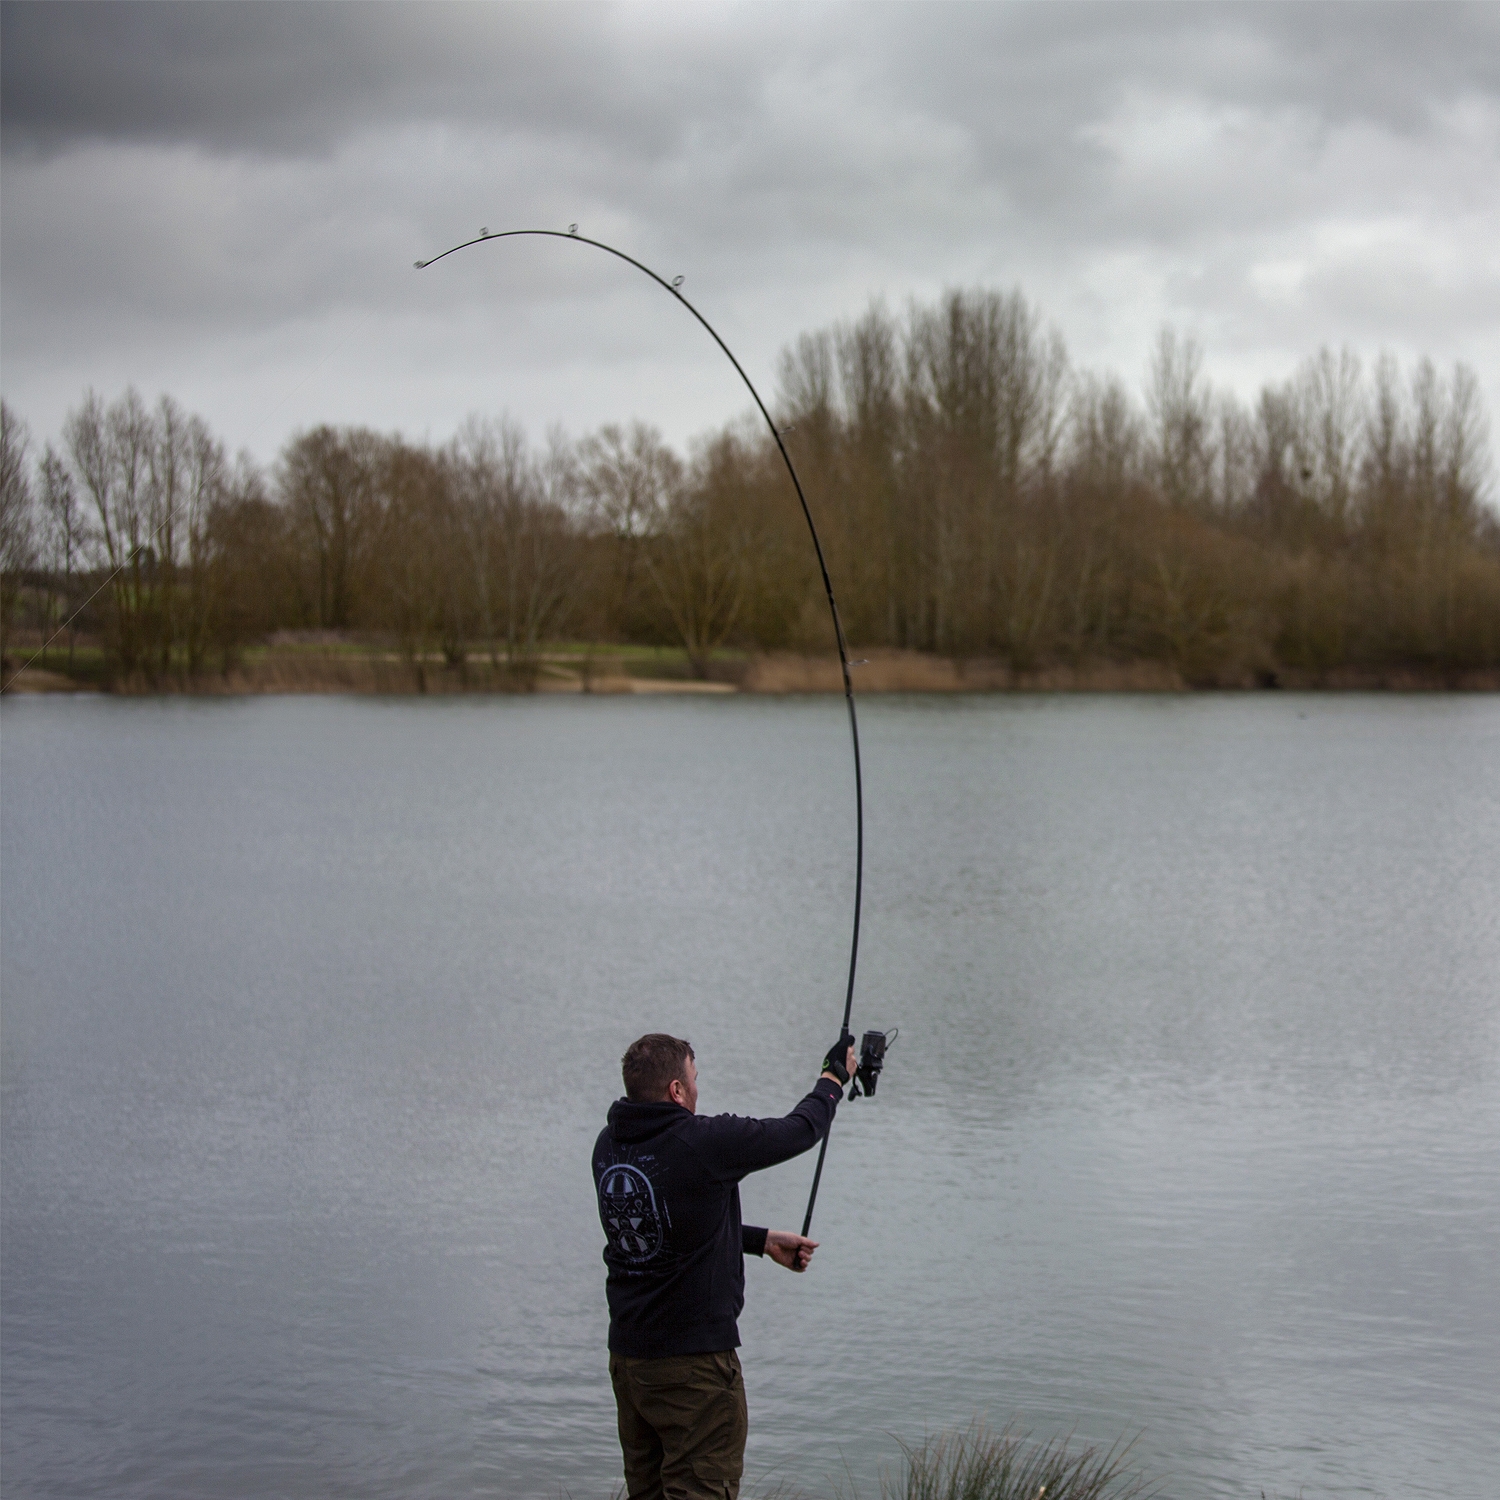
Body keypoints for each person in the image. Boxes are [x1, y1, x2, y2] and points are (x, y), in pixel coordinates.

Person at [593, 1030, 857, 1500]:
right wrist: (833, 1079)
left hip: (632, 1364)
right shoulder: (702, 1142)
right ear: (677, 1090)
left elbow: (662, 1228)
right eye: (693, 1079)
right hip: (692, 1370)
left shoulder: (610, 1146)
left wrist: (758, 1241)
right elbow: (800, 1130)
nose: (697, 1089)